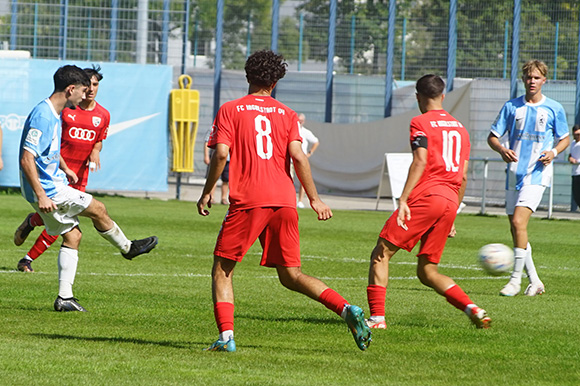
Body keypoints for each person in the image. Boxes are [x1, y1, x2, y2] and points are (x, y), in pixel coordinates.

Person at [197, 50, 371, 352]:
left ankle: (226, 339)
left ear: (247, 76)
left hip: (249, 199)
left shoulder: (231, 110)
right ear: (275, 81)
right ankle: (346, 309)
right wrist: (315, 199)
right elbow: (299, 156)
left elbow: (221, 153)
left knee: (223, 269)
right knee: (291, 275)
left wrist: (207, 190)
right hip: (284, 199)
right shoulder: (288, 114)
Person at [18, 65, 158, 312]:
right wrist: (41, 194)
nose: (85, 96)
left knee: (73, 235)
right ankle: (128, 248)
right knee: (98, 208)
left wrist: (64, 168)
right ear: (70, 89)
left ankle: (64, 298)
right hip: (49, 189)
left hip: (52, 183)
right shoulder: (44, 114)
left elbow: (47, 151)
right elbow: (27, 158)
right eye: (82, 91)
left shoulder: (53, 113)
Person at [365, 74, 491, 330]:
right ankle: (473, 308)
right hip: (448, 201)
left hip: (427, 197)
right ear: (443, 96)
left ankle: (377, 319)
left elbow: (420, 160)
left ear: (418, 97)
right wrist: (453, 212)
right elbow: (464, 175)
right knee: (427, 271)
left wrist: (403, 199)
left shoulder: (420, 121)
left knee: (381, 253)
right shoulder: (460, 128)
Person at [15, 65, 110, 273]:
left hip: (78, 174)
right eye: (87, 86)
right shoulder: (62, 110)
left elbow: (99, 140)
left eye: (95, 85)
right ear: (73, 88)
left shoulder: (103, 115)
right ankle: (28, 259)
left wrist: (96, 150)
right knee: (72, 225)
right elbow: (35, 152)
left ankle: (31, 224)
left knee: (66, 225)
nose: (91, 90)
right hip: (54, 175)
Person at [488, 59, 569, 297]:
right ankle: (535, 281)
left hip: (537, 174)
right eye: (528, 77)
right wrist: (501, 149)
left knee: (518, 223)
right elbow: (492, 136)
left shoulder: (554, 108)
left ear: (544, 80)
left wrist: (553, 152)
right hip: (513, 174)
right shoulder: (512, 107)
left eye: (536, 77)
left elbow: (564, 138)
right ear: (523, 80)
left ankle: (514, 281)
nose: (532, 81)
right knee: (517, 231)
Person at [296, 113, 320, 209]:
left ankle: (300, 201)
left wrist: (310, 153)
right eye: (299, 119)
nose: (300, 121)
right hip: (291, 160)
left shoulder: (305, 132)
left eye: (301, 120)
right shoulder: (292, 129)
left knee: (304, 180)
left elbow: (316, 141)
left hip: (302, 159)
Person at [203, 128, 229, 205]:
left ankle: (224, 198)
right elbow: (207, 142)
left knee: (226, 180)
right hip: (216, 159)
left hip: (228, 159)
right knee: (213, 178)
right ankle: (211, 197)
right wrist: (206, 156)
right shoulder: (214, 128)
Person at [568, 124, 580, 210]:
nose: (578, 136)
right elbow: (570, 155)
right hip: (575, 172)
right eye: (576, 134)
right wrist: (570, 158)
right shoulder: (573, 143)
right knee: (576, 196)